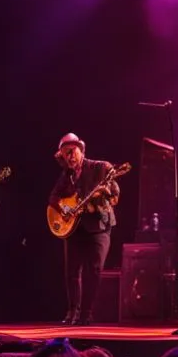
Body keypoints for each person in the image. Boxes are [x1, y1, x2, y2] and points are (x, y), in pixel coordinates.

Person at [48, 133, 120, 326]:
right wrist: (64, 208)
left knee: (94, 270)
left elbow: (115, 195)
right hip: (75, 229)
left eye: (72, 152)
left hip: (99, 226)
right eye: (65, 154)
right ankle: (73, 312)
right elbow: (53, 198)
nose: (69, 157)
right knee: (71, 272)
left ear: (81, 150)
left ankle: (87, 312)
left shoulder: (100, 168)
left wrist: (104, 192)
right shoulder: (66, 176)